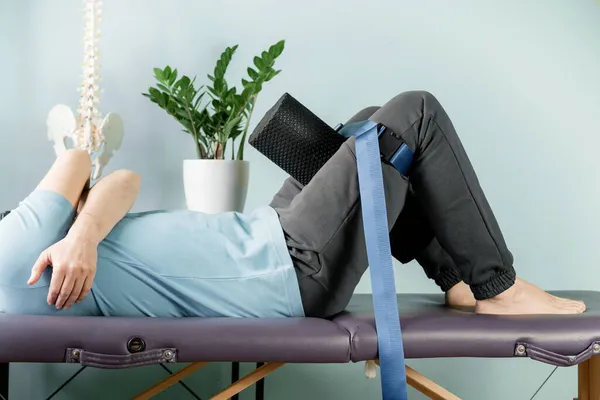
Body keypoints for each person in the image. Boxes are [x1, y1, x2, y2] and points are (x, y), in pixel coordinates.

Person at [0, 91, 586, 318]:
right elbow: (82, 163)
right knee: (414, 114)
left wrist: (82, 236)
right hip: (285, 267)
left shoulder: (20, 239)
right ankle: (497, 287)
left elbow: (120, 180)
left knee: (363, 125)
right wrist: (79, 230)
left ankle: (455, 275)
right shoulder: (11, 251)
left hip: (269, 239)